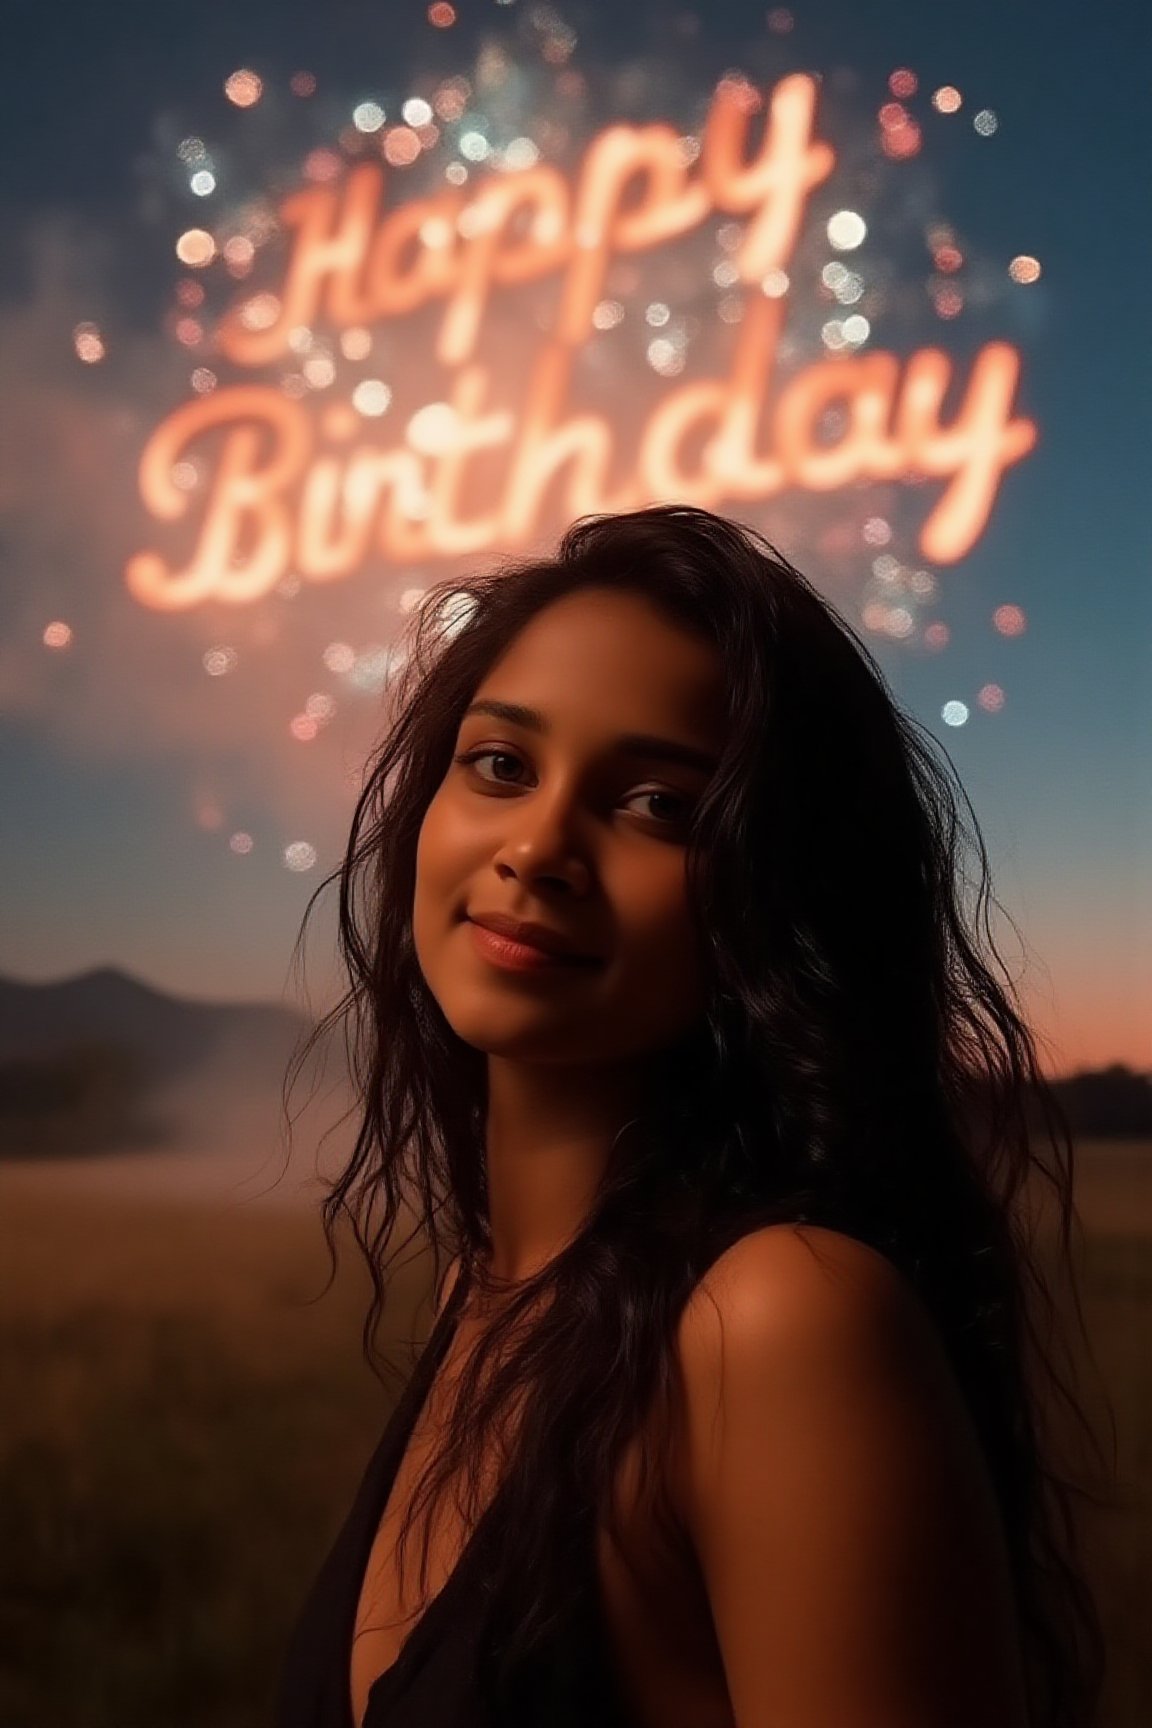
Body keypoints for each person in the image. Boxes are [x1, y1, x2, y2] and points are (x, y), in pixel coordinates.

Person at [275, 504, 1111, 1728]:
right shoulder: (491, 1291)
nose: (539, 848)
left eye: (661, 804)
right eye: (501, 764)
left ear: (778, 894)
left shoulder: (776, 1323)